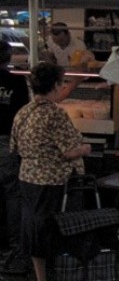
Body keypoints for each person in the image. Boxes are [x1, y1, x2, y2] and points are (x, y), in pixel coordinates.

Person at [10, 63, 92, 281]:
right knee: (53, 230)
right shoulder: (55, 114)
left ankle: (41, 276)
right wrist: (85, 148)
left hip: (27, 177)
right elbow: (69, 151)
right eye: (62, 82)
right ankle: (62, 273)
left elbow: (14, 147)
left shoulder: (23, 112)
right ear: (55, 85)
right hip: (51, 182)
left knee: (33, 228)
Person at [0, 42, 29, 275]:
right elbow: (24, 113)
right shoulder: (15, 80)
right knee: (11, 194)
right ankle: (13, 247)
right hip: (6, 142)